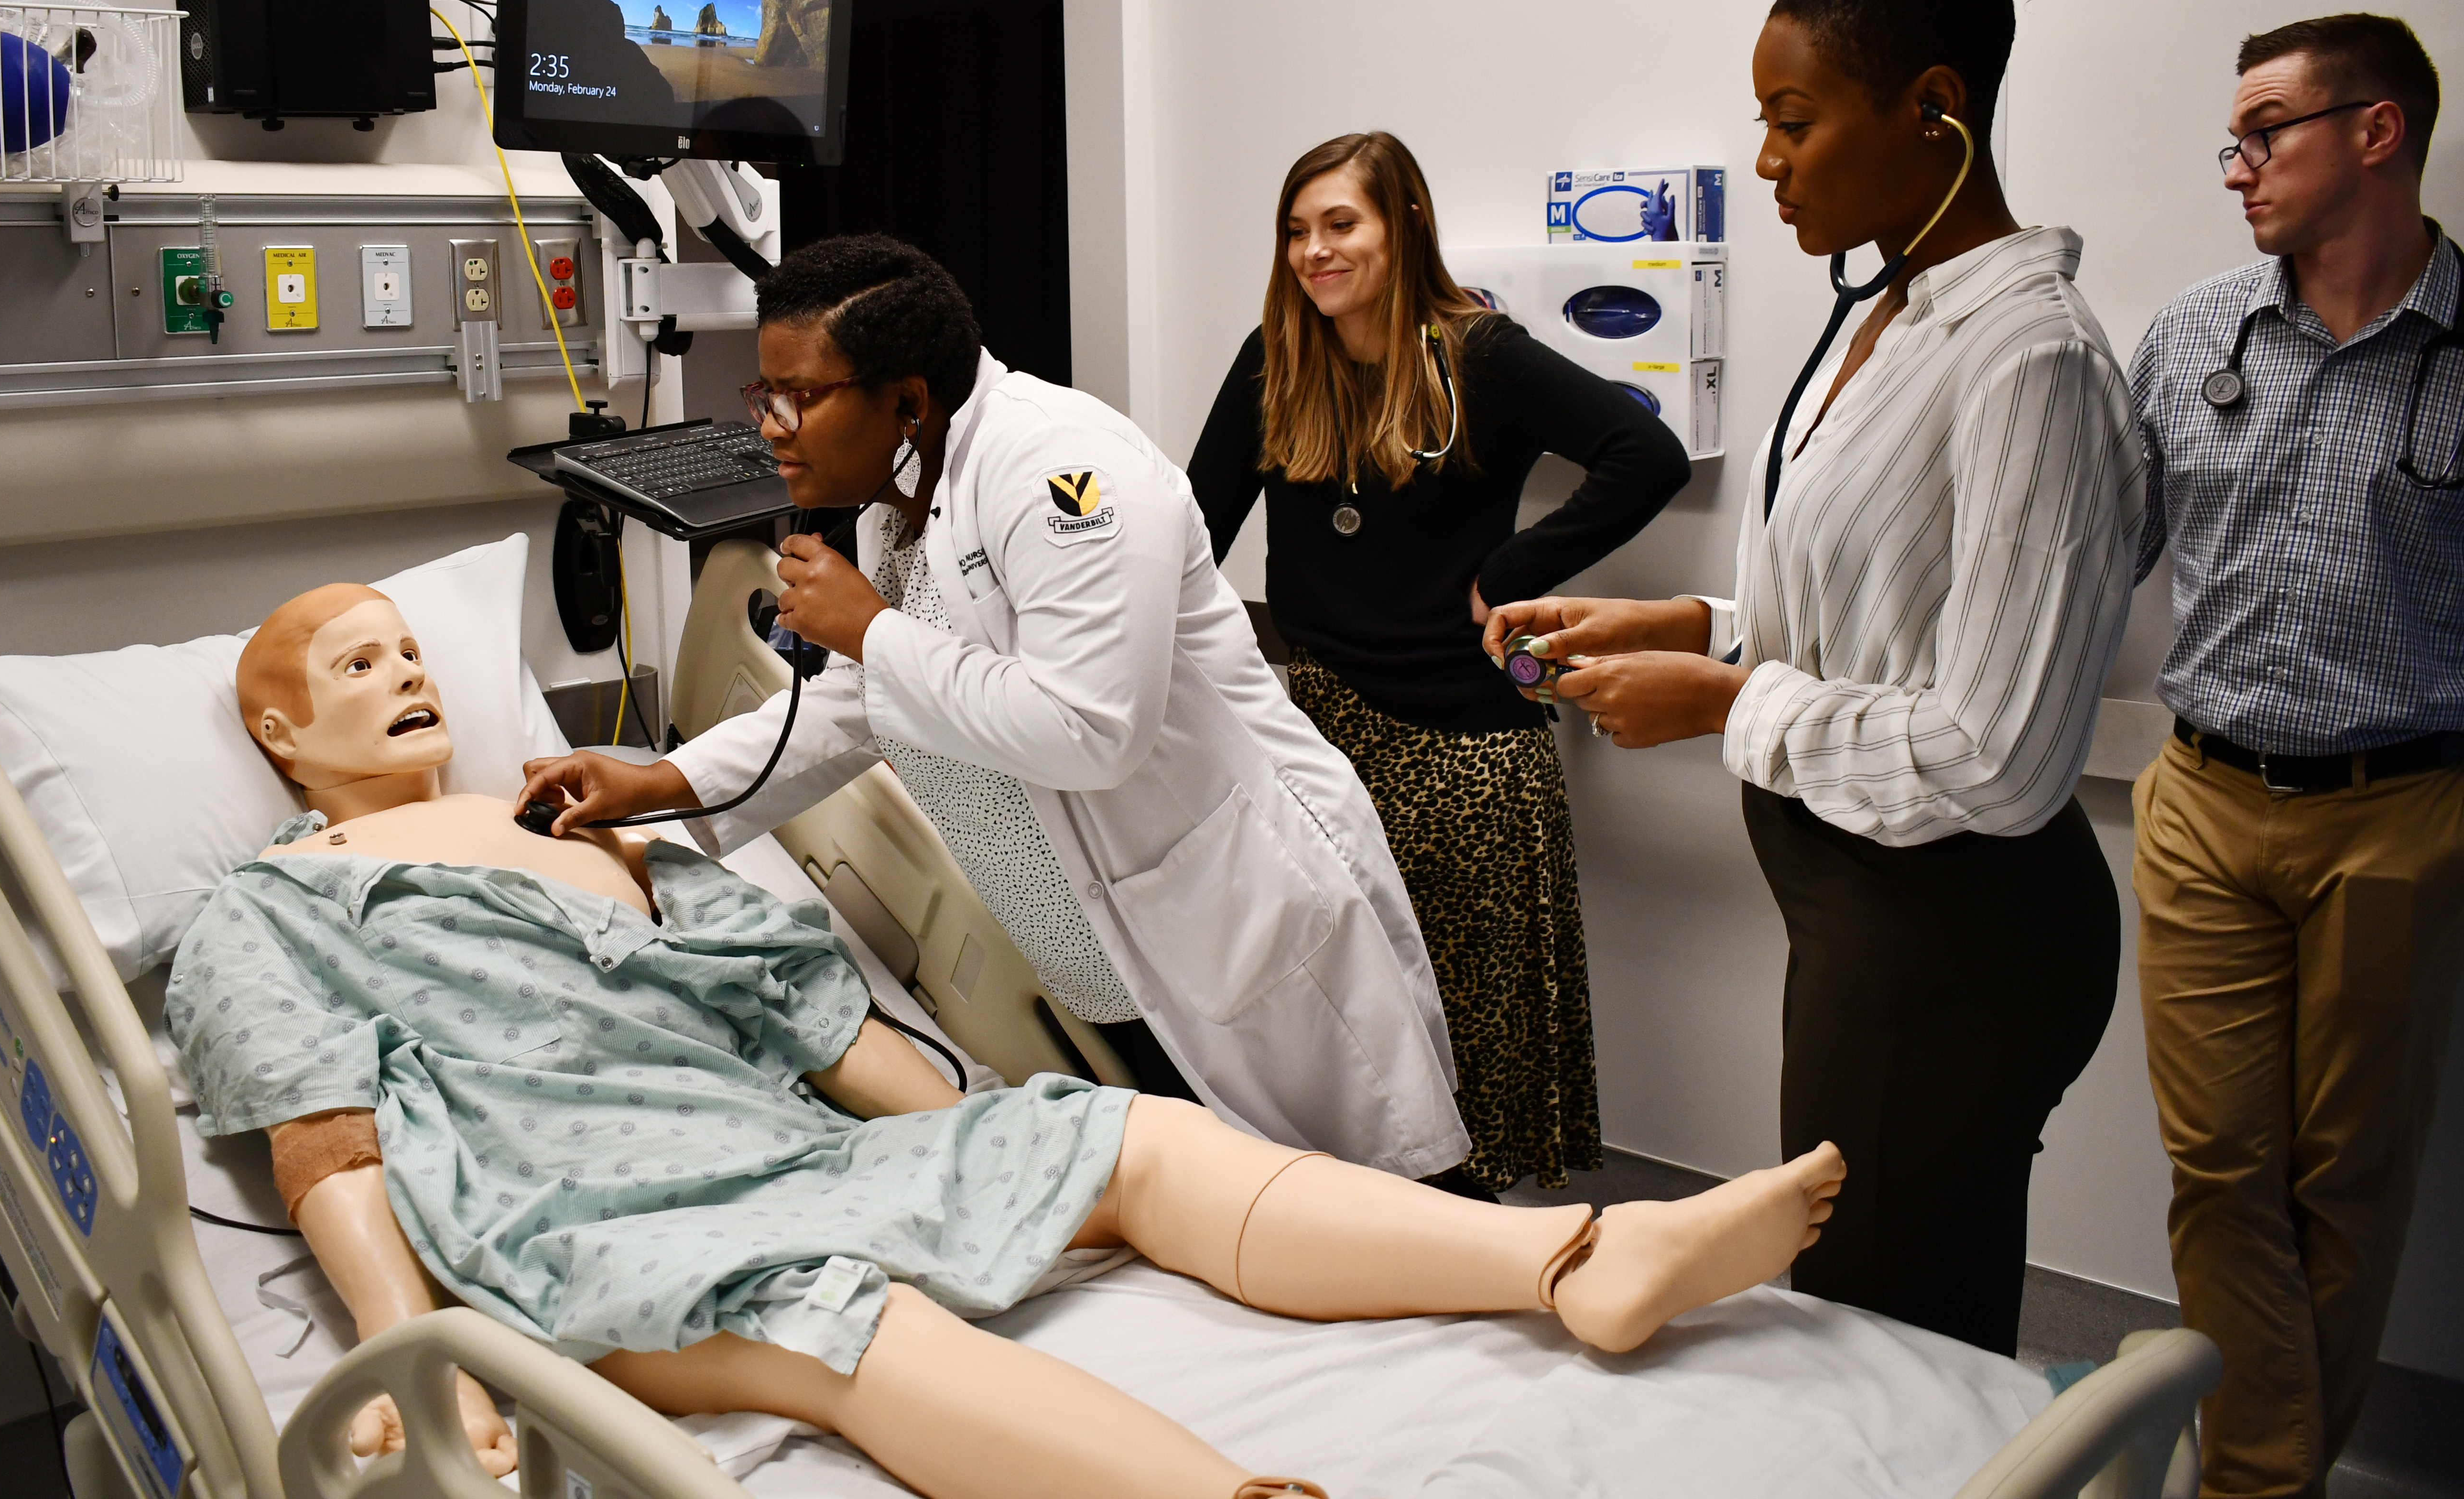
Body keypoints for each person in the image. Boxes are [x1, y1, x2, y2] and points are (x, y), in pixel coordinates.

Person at [175, 578, 1851, 1499]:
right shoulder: (279, 902)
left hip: (788, 1154)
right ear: (274, 726)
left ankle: (1576, 1261)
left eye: (412, 647)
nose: (404, 671)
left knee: (1130, 1136)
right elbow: (333, 1147)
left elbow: (818, 1019)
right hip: (586, 1221)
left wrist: (998, 1136)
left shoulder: (589, 823)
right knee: (845, 1320)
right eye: (352, 660)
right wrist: (402, 1360)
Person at [1480, 0, 2144, 1355]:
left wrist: (1725, 700)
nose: (1770, 161)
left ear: (1935, 112)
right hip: (1870, 913)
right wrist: (1683, 621)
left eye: (1795, 122)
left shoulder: (2032, 358)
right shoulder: (1894, 316)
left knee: (1890, 1331)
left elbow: (1996, 753)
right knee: (1872, 1294)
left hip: (1958, 937)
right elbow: (1881, 620)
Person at [521, 235, 1469, 1179]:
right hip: (1107, 960)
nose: (771, 424)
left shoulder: (1064, 471)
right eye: (763, 395)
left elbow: (1092, 728)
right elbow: (858, 704)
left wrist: (873, 629)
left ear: (908, 399)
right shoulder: (897, 492)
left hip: (1229, 921)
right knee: (1253, 1231)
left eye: (798, 396)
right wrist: (659, 780)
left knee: (1397, 1205)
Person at [1186, 132, 1690, 1196]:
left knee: (1462, 1059)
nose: (1314, 252)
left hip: (1465, 756)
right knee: (1346, 1042)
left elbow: (1648, 454)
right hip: (1319, 736)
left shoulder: (1480, 355)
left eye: (1340, 224)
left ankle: (1482, 1279)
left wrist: (1516, 565)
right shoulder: (1275, 359)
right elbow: (1189, 529)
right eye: (1296, 231)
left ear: (1402, 224)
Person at [2127, 12, 2461, 1499]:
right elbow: (2097, 556)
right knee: (2219, 1170)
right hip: (2202, 798)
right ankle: (2263, 1482)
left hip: (2402, 815)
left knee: (2349, 1182)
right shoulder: (2196, 333)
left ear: (2375, 134)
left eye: (2265, 133)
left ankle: (2258, 1481)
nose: (2236, 168)